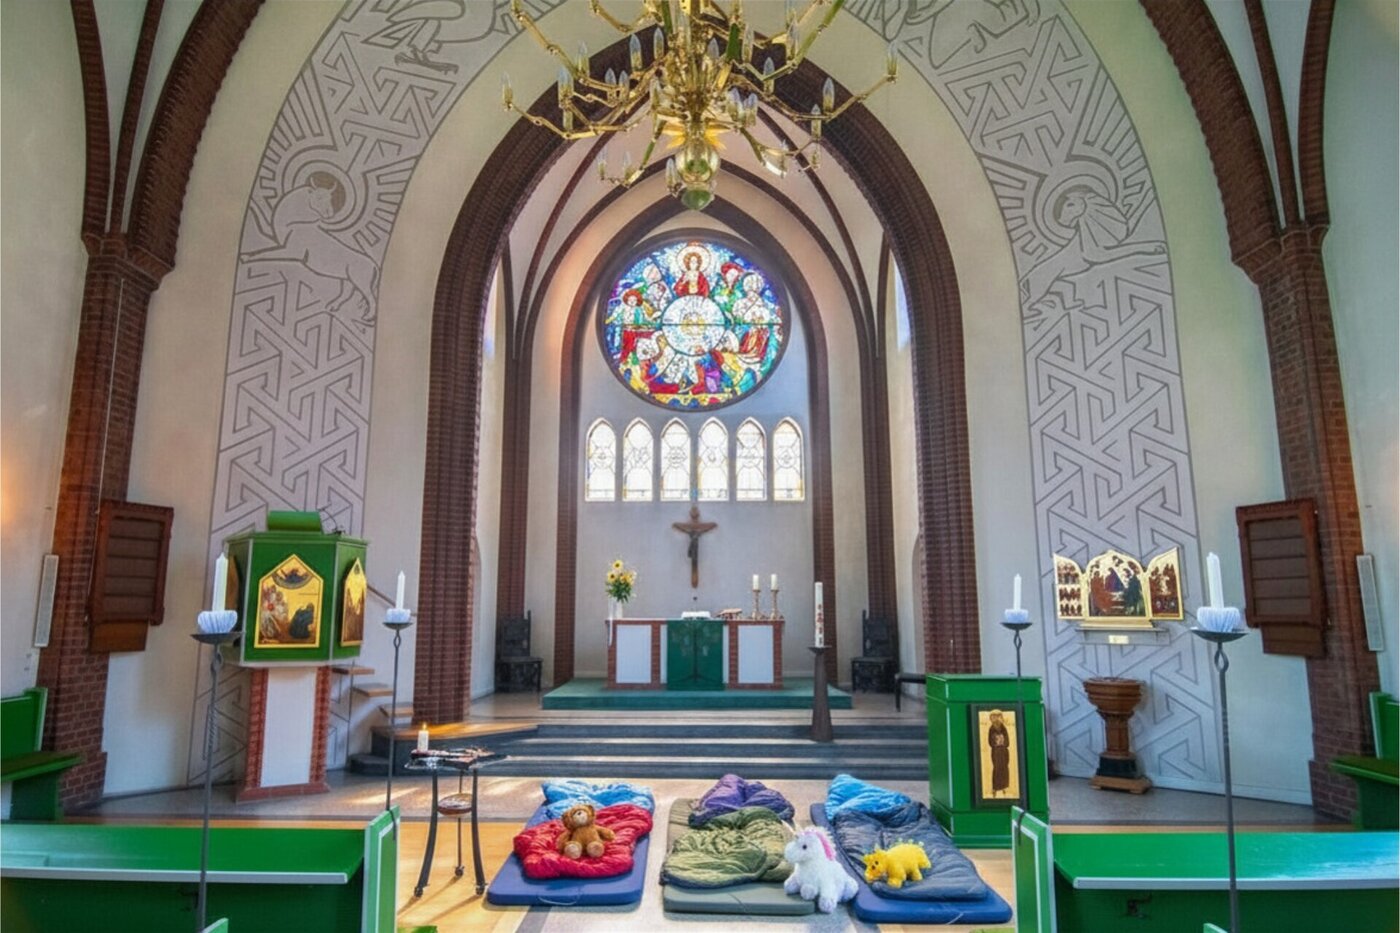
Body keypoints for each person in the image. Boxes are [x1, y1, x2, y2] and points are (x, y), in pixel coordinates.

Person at [987, 710, 1011, 796]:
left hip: (1004, 751)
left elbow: (1007, 741)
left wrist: (1003, 742)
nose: (997, 719)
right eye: (995, 717)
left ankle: (1004, 786)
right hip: (996, 751)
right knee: (997, 769)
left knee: (1004, 768)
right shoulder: (991, 729)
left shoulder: (1003, 728)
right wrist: (996, 742)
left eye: (998, 717)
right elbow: (990, 742)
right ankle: (995, 788)